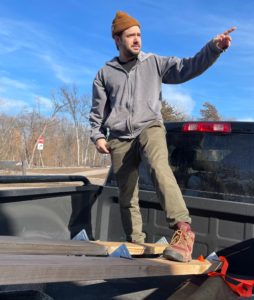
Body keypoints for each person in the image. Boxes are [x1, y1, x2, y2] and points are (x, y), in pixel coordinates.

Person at [90, 11, 236, 262]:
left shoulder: (154, 63)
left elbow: (187, 67)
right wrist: (97, 136)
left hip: (150, 126)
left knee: (159, 167)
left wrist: (214, 49)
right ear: (117, 39)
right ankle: (134, 243)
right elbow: (97, 110)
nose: (137, 40)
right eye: (130, 35)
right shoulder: (105, 73)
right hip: (119, 137)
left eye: (139, 35)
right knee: (127, 194)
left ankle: (183, 231)